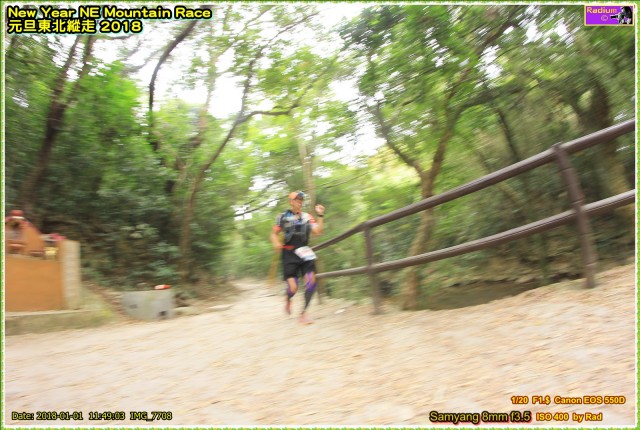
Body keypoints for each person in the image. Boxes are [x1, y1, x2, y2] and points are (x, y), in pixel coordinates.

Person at [270, 191, 325, 324]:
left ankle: (303, 314)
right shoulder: (282, 217)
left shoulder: (307, 217)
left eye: (301, 199)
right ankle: (288, 298)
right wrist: (276, 242)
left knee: (311, 281)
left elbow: (318, 232)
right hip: (289, 253)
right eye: (296, 199)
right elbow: (273, 234)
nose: (299, 201)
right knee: (293, 288)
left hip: (305, 252)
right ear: (291, 201)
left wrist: (320, 215)